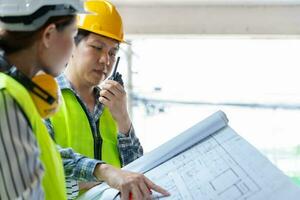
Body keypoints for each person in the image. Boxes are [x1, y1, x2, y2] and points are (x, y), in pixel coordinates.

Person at [46, 0, 144, 198]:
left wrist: (123, 120)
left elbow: (137, 172)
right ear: (71, 44)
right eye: (97, 47)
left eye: (112, 52)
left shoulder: (113, 106)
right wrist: (103, 174)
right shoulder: (43, 96)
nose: (105, 60)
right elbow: (43, 162)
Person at [0, 1, 85, 199]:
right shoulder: (6, 97)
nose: (73, 48)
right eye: (73, 35)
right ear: (49, 35)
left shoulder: (17, 93)